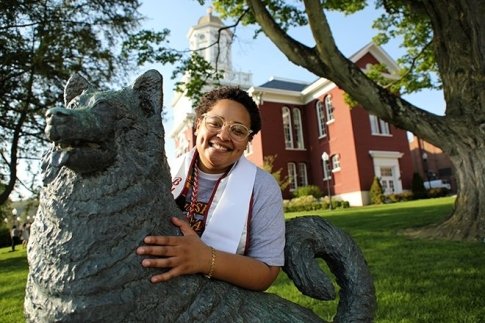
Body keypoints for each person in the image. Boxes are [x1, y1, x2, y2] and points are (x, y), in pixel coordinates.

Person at [137, 86, 285, 291]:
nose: (224, 136)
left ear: (247, 142)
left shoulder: (261, 187)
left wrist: (206, 259)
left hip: (220, 300)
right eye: (215, 123)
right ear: (198, 125)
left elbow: (266, 272)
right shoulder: (160, 171)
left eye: (238, 131)